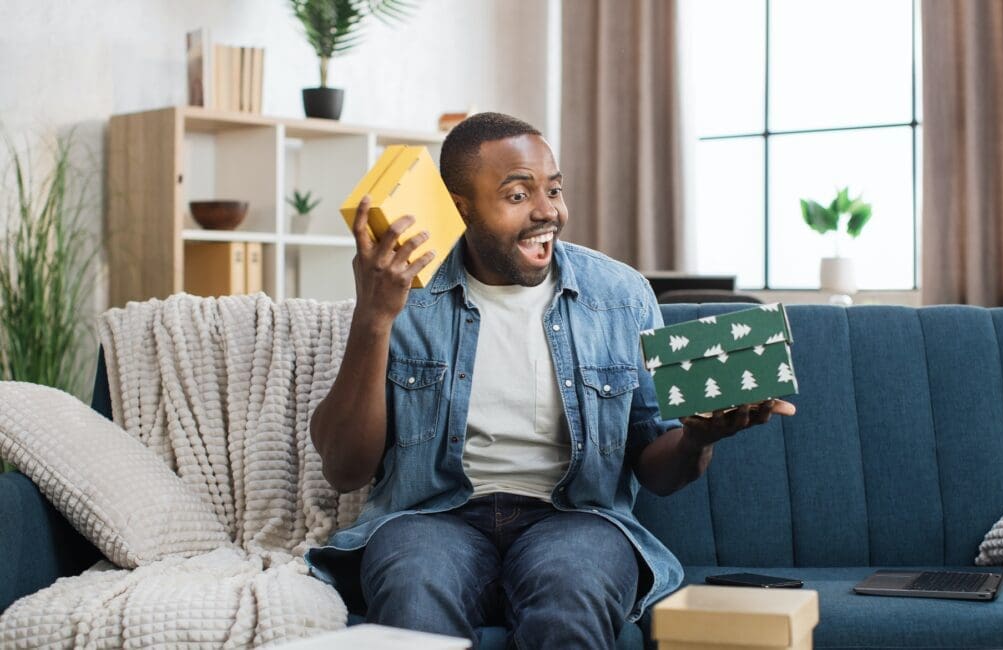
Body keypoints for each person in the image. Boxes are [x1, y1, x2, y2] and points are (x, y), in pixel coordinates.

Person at [305, 112, 796, 649]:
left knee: (572, 596)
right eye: (518, 195)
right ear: (459, 207)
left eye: (554, 189)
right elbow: (345, 469)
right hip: (431, 517)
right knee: (414, 590)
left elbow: (656, 469)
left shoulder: (621, 294)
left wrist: (700, 438)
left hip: (576, 519)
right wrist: (373, 318)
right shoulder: (405, 295)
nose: (549, 212)